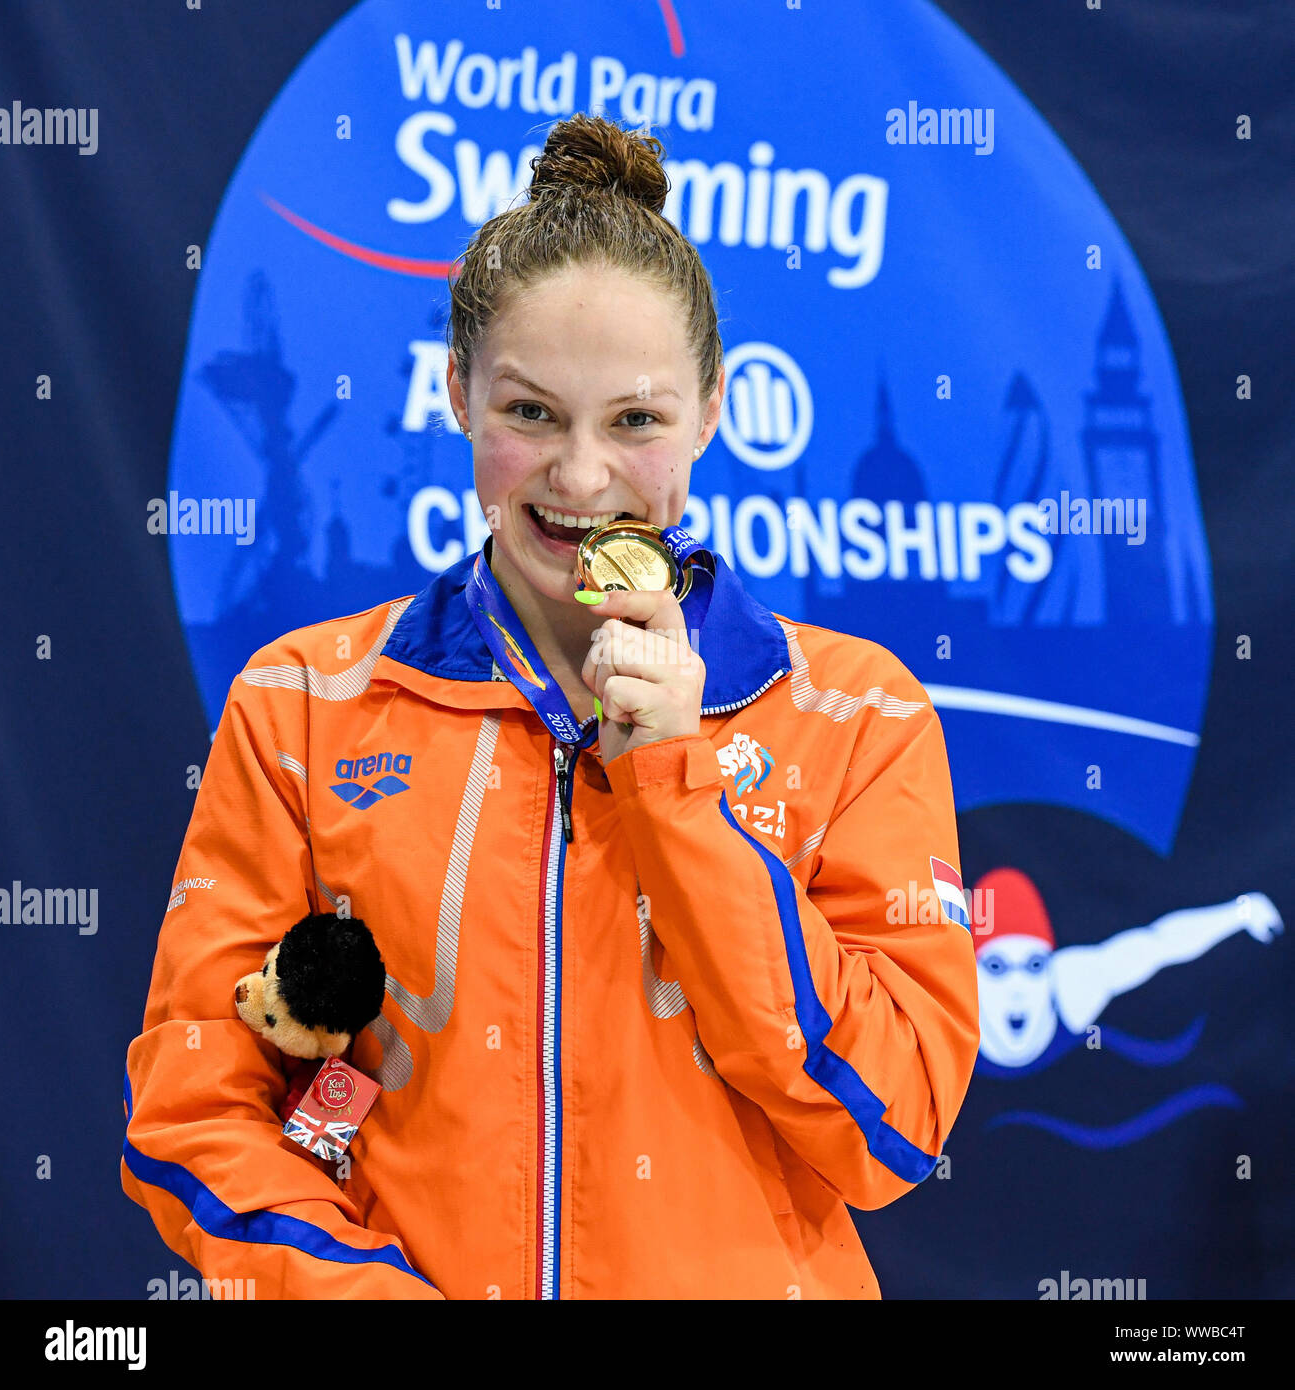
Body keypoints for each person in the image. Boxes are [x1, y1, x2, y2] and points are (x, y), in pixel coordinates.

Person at [121, 113, 979, 1300]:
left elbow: (894, 1128)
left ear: (712, 409)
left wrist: (679, 790)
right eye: (529, 413)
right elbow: (194, 1104)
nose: (580, 477)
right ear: (457, 393)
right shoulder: (304, 702)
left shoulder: (857, 715)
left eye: (636, 420)